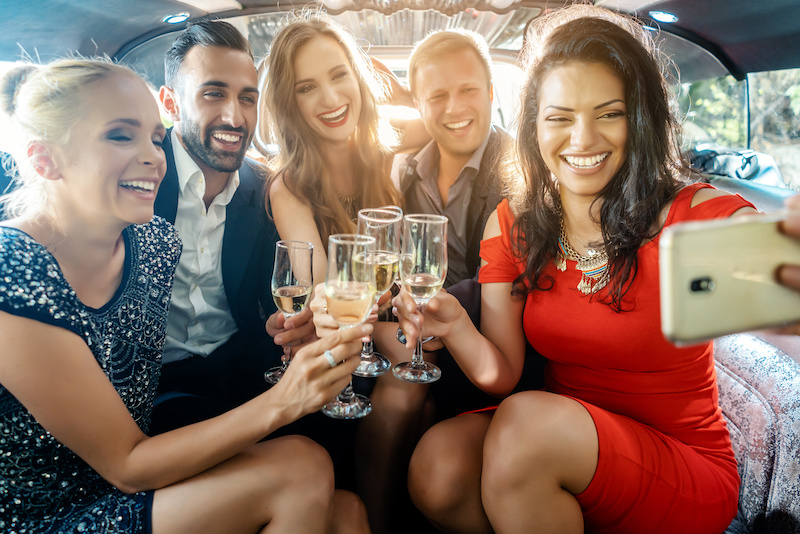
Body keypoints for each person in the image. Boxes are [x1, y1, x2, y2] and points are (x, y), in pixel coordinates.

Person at [394, 5, 757, 533]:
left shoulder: (690, 214)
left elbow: (772, 268)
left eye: (608, 114)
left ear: (641, 119)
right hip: (555, 445)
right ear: (534, 128)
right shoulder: (513, 223)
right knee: (437, 467)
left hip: (679, 462)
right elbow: (501, 374)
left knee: (525, 430)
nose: (582, 140)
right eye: (560, 118)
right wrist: (453, 325)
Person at [0, 57, 369, 533]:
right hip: (51, 515)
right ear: (43, 159)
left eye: (156, 137)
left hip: (135, 474)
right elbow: (127, 464)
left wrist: (287, 334)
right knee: (302, 468)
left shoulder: (155, 243)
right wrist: (286, 399)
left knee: (348, 513)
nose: (154, 156)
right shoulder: (13, 270)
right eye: (120, 135)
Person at [151, 19, 315, 432]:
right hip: (153, 382)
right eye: (213, 94)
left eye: (247, 98)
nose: (235, 117)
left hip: (242, 363)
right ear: (170, 104)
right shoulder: (140, 177)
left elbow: (270, 295)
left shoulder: (264, 190)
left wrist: (281, 325)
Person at [394, 28, 511, 288]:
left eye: (468, 90)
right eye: (438, 96)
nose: (455, 108)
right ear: (417, 107)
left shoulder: (520, 176)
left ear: (490, 94)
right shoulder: (403, 172)